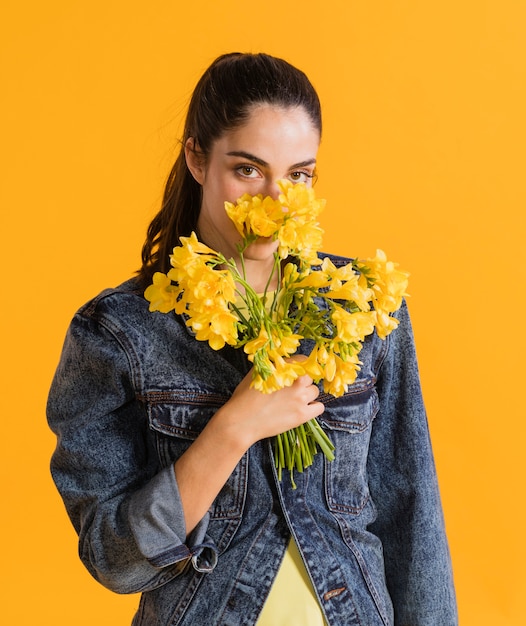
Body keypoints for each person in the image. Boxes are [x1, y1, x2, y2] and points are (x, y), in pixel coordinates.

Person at [47, 52, 457, 626]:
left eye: (298, 175)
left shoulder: (360, 307)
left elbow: (412, 515)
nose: (274, 203)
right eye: (247, 170)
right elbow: (115, 560)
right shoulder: (120, 332)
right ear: (196, 157)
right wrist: (233, 427)